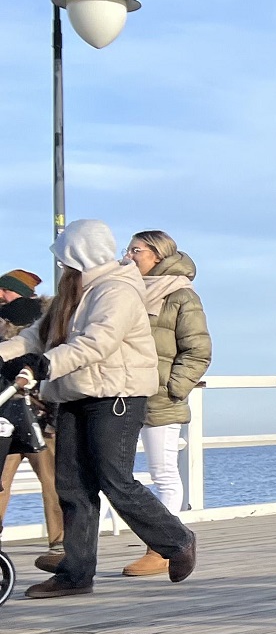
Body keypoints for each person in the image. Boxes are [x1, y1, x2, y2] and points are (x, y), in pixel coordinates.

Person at [0, 220, 197, 598]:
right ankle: (75, 574)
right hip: (75, 394)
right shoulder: (71, 291)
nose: (61, 265)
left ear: (80, 254)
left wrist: (46, 366)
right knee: (71, 485)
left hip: (117, 395)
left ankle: (177, 540)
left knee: (114, 479)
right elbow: (34, 336)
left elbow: (98, 342)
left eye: (64, 257)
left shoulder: (117, 290)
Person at [128, 233, 211, 568]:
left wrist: (173, 387)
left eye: (136, 250)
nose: (130, 255)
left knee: (162, 471)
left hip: (160, 396)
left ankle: (164, 549)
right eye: (128, 249)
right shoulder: (130, 290)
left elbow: (198, 349)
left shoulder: (180, 295)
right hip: (127, 392)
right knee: (115, 472)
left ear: (157, 254)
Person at [0, 269, 61, 556]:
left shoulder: (48, 321)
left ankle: (59, 543)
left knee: (52, 482)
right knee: (1, 481)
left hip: (41, 414)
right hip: (7, 413)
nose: (1, 296)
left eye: (6, 291)